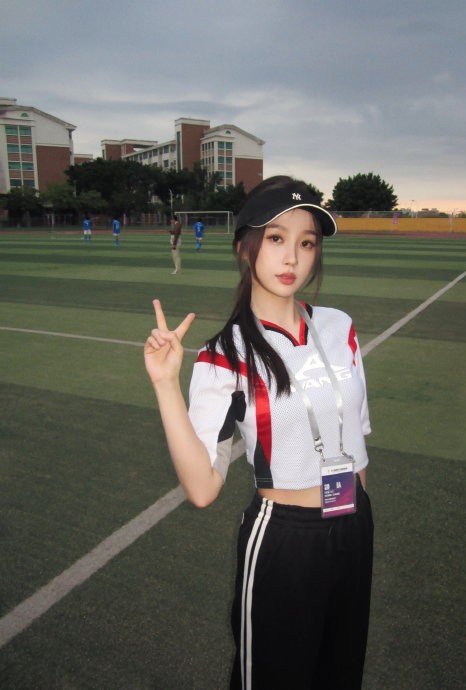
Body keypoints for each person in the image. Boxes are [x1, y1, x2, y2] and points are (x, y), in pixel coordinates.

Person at [144, 176, 373, 689]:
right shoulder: (225, 355)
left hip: (354, 525)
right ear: (246, 248)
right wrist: (165, 384)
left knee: (340, 674)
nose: (292, 257)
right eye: (275, 238)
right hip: (284, 542)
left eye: (306, 243)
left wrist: (357, 515)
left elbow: (358, 443)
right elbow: (202, 489)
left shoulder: (340, 327)